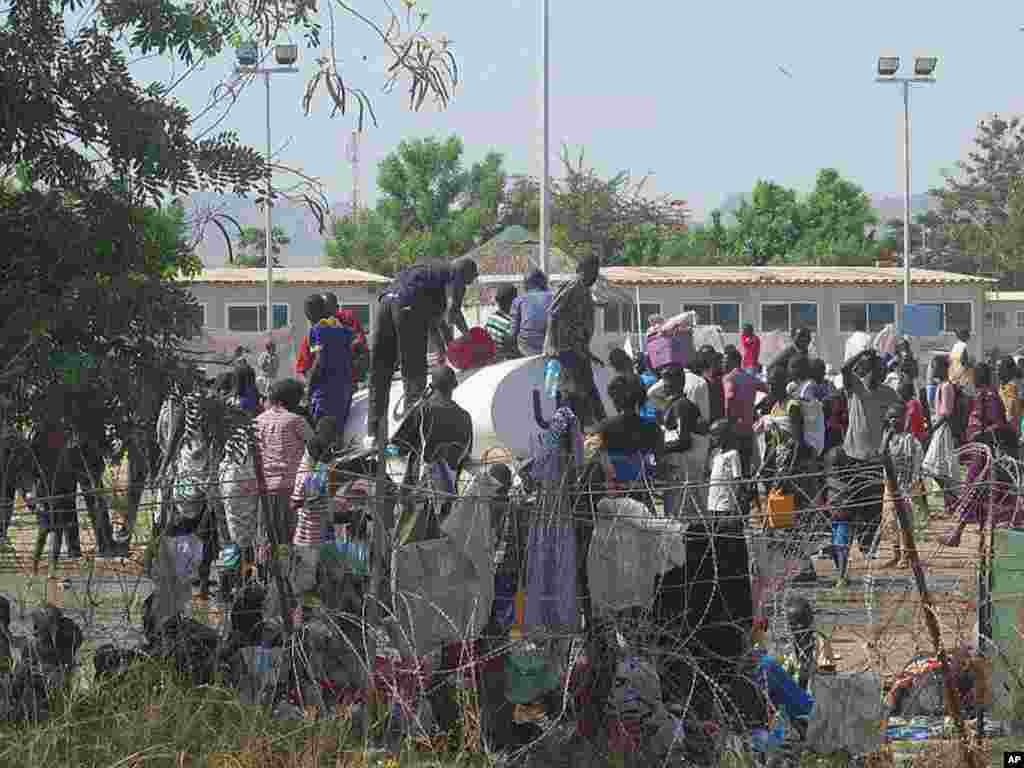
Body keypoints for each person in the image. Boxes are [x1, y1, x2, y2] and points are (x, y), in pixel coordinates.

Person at [367, 257, 478, 449]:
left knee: (380, 370)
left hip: (385, 301)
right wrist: (470, 339)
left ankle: (372, 434)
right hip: (407, 305)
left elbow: (434, 323)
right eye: (470, 280)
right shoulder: (455, 275)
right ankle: (407, 438)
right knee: (414, 373)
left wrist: (444, 350)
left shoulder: (431, 271)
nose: (468, 284)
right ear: (465, 274)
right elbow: (453, 313)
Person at [391, 366, 474, 534]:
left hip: (417, 492)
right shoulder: (465, 417)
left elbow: (399, 446)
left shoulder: (423, 409)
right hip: (447, 497)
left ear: (432, 385)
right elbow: (465, 457)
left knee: (406, 546)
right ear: (455, 385)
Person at [841, 348, 901, 559]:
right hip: (853, 456)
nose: (881, 372)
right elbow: (844, 368)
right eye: (877, 368)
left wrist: (893, 422)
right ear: (868, 370)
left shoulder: (889, 393)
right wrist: (862, 353)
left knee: (874, 507)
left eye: (882, 369)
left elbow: (898, 413)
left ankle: (868, 547)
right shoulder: (857, 387)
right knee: (856, 503)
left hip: (875, 459)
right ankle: (855, 545)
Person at [544, 255, 606, 428]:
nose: (595, 275)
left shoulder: (585, 290)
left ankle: (596, 427)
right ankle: (597, 426)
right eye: (592, 271)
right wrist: (551, 344)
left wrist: (588, 352)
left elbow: (580, 328)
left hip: (578, 349)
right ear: (582, 270)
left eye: (597, 272)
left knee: (586, 389)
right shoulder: (573, 285)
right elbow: (553, 313)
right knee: (575, 391)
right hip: (566, 349)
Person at [256, 379, 313, 550]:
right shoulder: (296, 421)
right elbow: (315, 445)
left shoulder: (258, 420)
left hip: (264, 488)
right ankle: (287, 572)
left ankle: (270, 572)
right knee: (289, 538)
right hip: (290, 487)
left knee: (270, 537)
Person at [593, 375, 663, 487]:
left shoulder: (604, 427)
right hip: (644, 488)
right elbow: (660, 463)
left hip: (614, 491)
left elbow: (592, 457)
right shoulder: (653, 428)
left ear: (615, 399)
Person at [880, 402, 924, 569]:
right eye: (890, 418)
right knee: (891, 521)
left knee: (903, 521)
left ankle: (907, 555)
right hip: (889, 486)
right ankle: (895, 553)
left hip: (905, 486)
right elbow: (881, 454)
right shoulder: (887, 438)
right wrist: (886, 438)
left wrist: (913, 482)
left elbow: (916, 462)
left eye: (896, 418)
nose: (893, 421)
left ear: (905, 419)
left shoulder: (909, 440)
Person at [305, 294, 355, 434]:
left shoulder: (317, 330)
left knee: (322, 433)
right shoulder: (341, 328)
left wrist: (309, 385)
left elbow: (319, 360)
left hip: (325, 392)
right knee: (338, 432)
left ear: (309, 313)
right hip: (344, 389)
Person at [722, 344, 767, 474]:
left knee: (733, 465)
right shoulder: (750, 378)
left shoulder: (729, 378)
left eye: (725, 361)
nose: (723, 364)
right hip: (748, 427)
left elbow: (729, 399)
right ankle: (748, 490)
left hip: (734, 427)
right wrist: (757, 408)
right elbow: (767, 389)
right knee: (746, 463)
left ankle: (737, 492)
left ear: (733, 361)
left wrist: (727, 421)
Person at [510, 269, 553, 358]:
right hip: (550, 347)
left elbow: (513, 332)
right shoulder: (554, 297)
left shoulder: (519, 300)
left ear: (526, 284)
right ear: (544, 282)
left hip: (525, 349)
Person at [485, 284, 518, 361]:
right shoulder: (510, 323)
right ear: (512, 301)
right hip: (503, 360)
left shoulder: (491, 318)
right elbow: (512, 344)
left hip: (492, 357)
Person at [998, 356, 1022, 435]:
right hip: (1009, 426)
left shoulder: (1003, 387)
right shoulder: (1010, 387)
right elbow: (1016, 409)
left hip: (1005, 425)